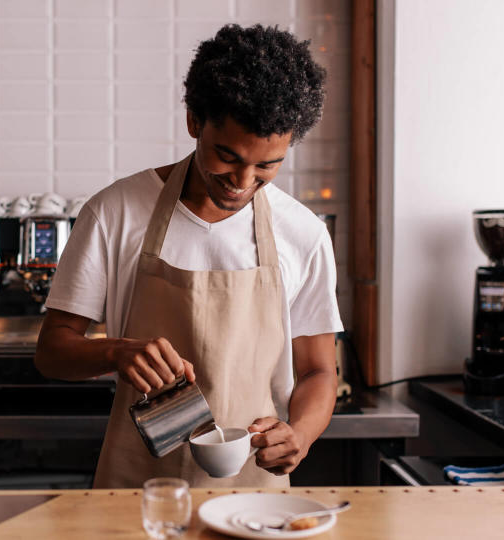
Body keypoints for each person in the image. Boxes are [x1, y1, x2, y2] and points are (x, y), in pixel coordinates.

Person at [34, 24, 342, 488]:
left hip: (253, 495)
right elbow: (52, 352)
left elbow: (319, 370)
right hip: (137, 489)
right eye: (228, 156)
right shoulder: (113, 212)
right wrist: (116, 353)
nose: (242, 180)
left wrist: (300, 433)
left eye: (267, 165)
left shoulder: (302, 234)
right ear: (194, 121)